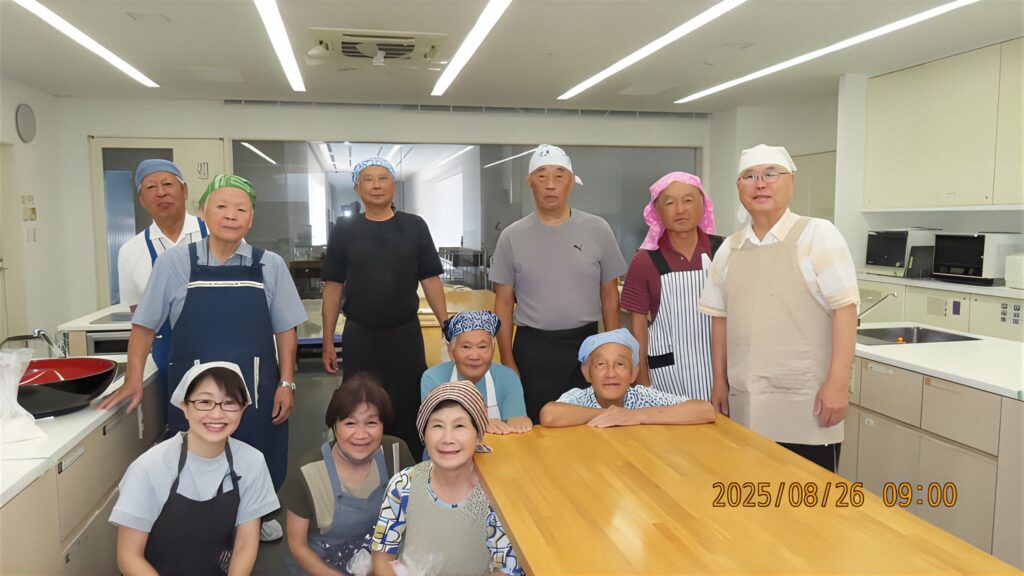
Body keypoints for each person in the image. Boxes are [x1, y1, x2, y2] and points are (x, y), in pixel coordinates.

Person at [99, 174, 306, 540]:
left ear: (251, 219)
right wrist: (133, 378)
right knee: (198, 454)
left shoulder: (270, 265)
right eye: (221, 206)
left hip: (256, 386)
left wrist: (286, 382)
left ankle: (255, 516)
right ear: (204, 212)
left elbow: (286, 330)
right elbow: (144, 326)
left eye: (241, 209)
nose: (231, 215)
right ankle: (207, 523)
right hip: (194, 389)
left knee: (259, 450)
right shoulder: (175, 263)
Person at [699, 144, 859, 472]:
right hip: (746, 402)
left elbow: (845, 309)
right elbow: (720, 318)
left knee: (808, 499)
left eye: (771, 174)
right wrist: (719, 382)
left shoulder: (818, 235)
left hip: (809, 404)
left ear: (791, 181)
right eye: (749, 176)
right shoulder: (729, 248)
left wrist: (838, 384)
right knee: (749, 495)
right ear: (738, 187)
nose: (760, 184)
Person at [321, 157, 448, 458]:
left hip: (405, 334)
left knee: (409, 400)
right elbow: (333, 287)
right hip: (361, 335)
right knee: (359, 403)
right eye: (368, 179)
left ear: (393, 185)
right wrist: (328, 339)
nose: (376, 185)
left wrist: (447, 325)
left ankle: (410, 465)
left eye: (383, 178)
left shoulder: (414, 226)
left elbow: (430, 279)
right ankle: (359, 462)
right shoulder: (344, 230)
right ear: (357, 188)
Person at [490, 145, 627, 422]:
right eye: (541, 176)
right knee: (533, 427)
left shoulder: (598, 229)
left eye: (559, 176)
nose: (550, 185)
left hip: (586, 347)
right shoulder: (512, 236)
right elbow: (502, 304)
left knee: (590, 426)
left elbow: (610, 296)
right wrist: (507, 361)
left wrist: (613, 350)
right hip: (532, 349)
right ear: (529, 182)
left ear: (571, 181)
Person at [110, 362, 279, 575]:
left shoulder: (251, 462)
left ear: (243, 407)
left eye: (229, 402)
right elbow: (129, 557)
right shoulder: (150, 467)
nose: (217, 414)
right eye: (204, 402)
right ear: (185, 406)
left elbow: (245, 544)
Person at [370, 381, 523, 576]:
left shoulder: (495, 496)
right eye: (437, 426)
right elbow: (382, 555)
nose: (447, 438)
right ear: (424, 434)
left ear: (478, 435)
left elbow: (507, 570)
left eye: (459, 426)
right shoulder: (403, 485)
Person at [280, 373, 414, 576]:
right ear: (334, 425)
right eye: (350, 423)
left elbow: (416, 513)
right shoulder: (307, 474)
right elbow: (297, 546)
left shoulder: (396, 454)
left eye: (371, 423)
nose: (361, 434)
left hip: (383, 563)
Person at [621, 172, 723, 400]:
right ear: (656, 211)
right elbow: (638, 325)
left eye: (688, 200)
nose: (680, 210)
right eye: (669, 203)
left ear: (703, 205)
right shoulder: (645, 260)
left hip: (719, 372)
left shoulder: (723, 251)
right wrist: (642, 380)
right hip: (666, 374)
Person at [117, 159, 209, 387]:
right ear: (141, 200)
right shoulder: (131, 251)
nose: (161, 193)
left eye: (168, 184)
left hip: (224, 353)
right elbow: (139, 315)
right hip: (167, 360)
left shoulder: (218, 235)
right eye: (150, 187)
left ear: (184, 191)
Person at [539, 328, 715, 428]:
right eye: (601, 364)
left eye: (620, 364)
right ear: (586, 373)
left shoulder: (642, 397)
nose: (611, 373)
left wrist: (634, 416)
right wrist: (610, 415)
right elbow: (549, 415)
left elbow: (705, 410)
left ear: (634, 373)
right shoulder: (579, 398)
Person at [421, 310, 531, 435]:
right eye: (466, 347)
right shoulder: (433, 378)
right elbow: (433, 430)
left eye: (482, 347)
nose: (474, 356)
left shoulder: (508, 377)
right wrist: (480, 423)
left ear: (493, 349)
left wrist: (518, 423)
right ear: (451, 352)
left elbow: (516, 427)